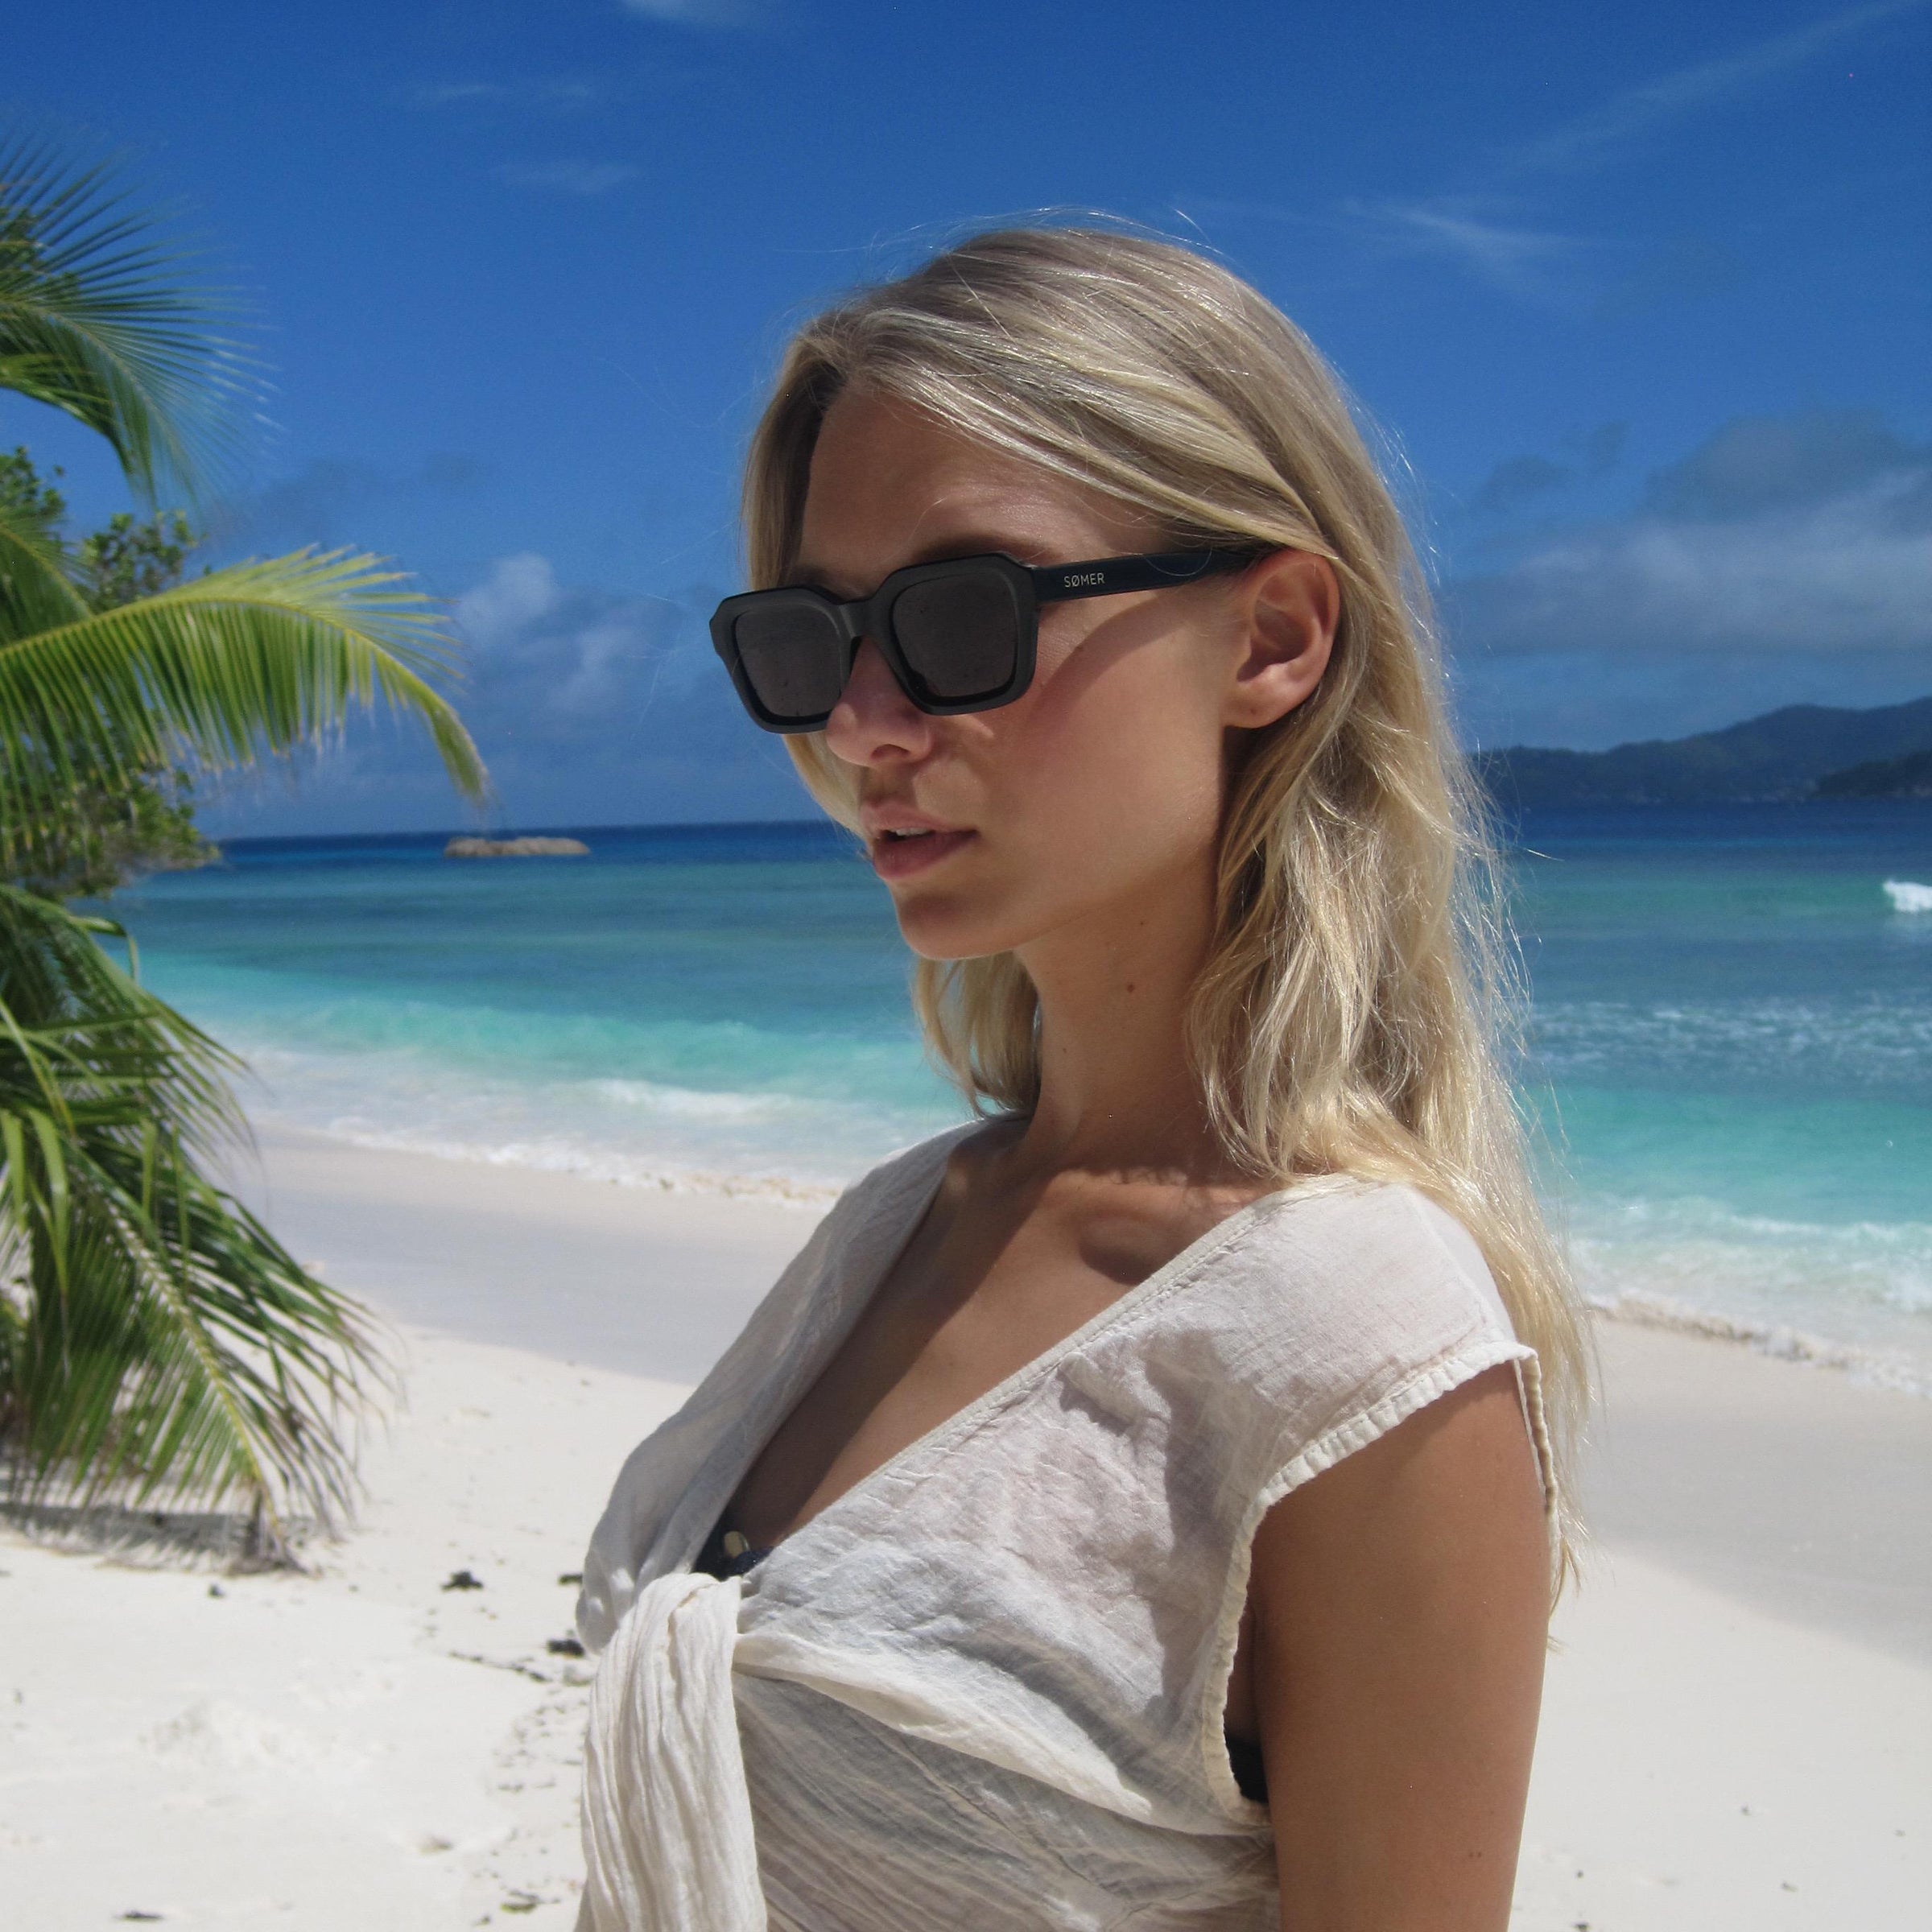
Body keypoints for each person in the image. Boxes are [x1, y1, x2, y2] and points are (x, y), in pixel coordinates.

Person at [572, 225, 1592, 1932]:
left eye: (962, 614)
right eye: (813, 640)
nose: (867, 726)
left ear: (1270, 638)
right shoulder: (903, 1222)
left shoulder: (1350, 1341)